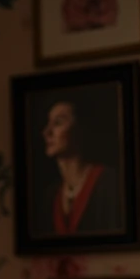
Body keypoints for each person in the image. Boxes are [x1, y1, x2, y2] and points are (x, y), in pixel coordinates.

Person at [33, 98, 122, 238]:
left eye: (58, 123)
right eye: (48, 123)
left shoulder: (110, 182)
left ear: (80, 129)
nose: (47, 132)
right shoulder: (50, 197)